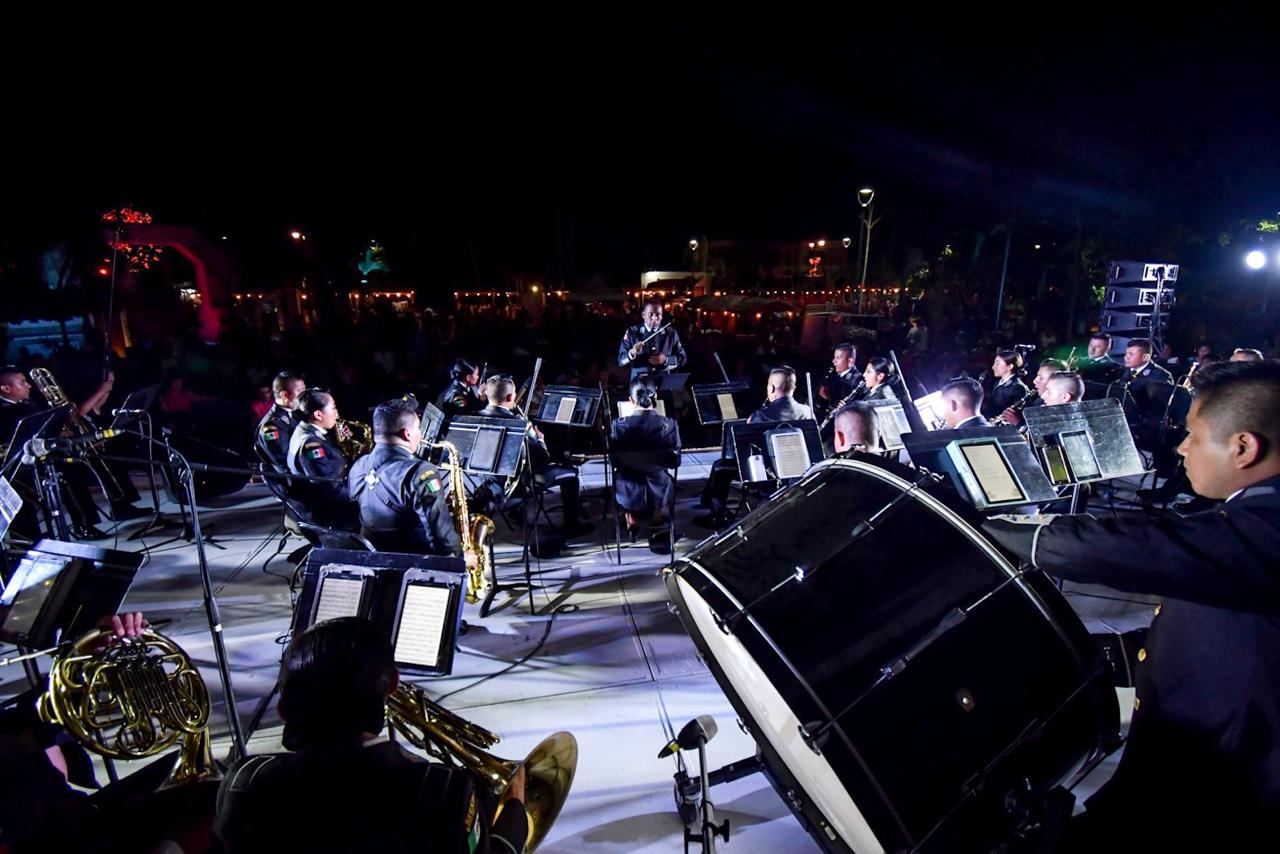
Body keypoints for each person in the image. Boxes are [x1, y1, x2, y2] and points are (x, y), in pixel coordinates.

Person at [983, 360, 1280, 850]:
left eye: (1193, 436)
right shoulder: (1256, 514)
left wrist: (997, 531)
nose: (1181, 448)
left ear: (1243, 447)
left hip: (1215, 792)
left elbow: (1146, 547)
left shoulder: (1266, 531)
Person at [214, 617, 528, 853]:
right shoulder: (442, 791)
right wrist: (515, 811)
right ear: (392, 684)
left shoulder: (244, 783)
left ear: (284, 710)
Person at [348, 398, 472, 560]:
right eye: (418, 428)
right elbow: (439, 532)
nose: (420, 434)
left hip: (374, 559)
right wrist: (461, 557)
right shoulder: (419, 472)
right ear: (407, 434)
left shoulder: (359, 466)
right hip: (414, 563)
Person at [696, 367, 814, 528]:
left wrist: (749, 424)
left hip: (766, 475)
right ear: (793, 387)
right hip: (798, 472)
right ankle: (707, 502)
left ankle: (717, 516)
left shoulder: (761, 415)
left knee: (720, 466)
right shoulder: (807, 411)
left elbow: (744, 452)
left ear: (772, 388)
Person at [479, 377, 592, 539]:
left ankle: (517, 513)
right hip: (517, 488)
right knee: (571, 473)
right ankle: (572, 526)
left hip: (490, 488)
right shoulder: (518, 425)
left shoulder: (476, 419)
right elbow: (541, 461)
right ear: (510, 397)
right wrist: (540, 440)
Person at [610, 375, 681, 549]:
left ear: (630, 400)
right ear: (655, 396)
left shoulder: (618, 425)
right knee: (662, 474)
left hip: (627, 488)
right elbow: (675, 462)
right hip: (659, 486)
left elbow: (614, 461)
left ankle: (630, 519)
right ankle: (658, 517)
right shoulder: (669, 424)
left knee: (623, 472)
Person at [287, 388, 359, 531]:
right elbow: (330, 489)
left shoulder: (307, 430)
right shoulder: (310, 444)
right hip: (325, 511)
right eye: (333, 408)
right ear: (318, 414)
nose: (337, 413)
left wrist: (345, 443)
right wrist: (360, 495)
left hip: (326, 501)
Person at [617, 297, 687, 377]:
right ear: (643, 315)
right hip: (639, 382)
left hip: (663, 381)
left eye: (658, 315)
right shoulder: (632, 333)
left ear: (662, 316)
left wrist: (666, 360)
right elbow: (620, 361)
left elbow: (683, 358)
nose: (654, 318)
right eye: (650, 314)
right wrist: (632, 353)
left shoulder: (671, 333)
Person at [255, 372, 305, 473]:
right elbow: (285, 460)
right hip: (294, 477)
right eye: (300, 391)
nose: (304, 395)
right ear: (285, 395)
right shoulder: (271, 426)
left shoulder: (296, 413)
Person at [998, 358, 1066, 426]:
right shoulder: (1038, 401)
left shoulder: (1055, 407)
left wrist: (1018, 423)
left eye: (1041, 378)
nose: (1034, 381)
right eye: (1037, 376)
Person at [981, 349, 1030, 419]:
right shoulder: (997, 383)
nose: (993, 367)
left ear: (1010, 367)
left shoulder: (1017, 387)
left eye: (997, 364)